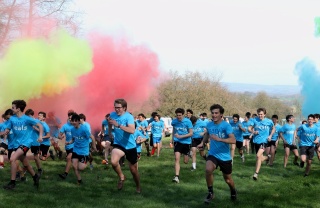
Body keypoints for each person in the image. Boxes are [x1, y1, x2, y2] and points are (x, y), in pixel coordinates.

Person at [197, 104, 237, 204]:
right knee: (208, 169)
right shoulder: (209, 125)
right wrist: (203, 143)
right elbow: (207, 133)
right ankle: (211, 193)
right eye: (213, 113)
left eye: (216, 113)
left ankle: (233, 190)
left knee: (228, 179)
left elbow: (233, 140)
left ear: (221, 115)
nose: (214, 115)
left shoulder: (226, 126)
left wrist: (220, 139)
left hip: (224, 156)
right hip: (213, 154)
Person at [1, 100, 43, 190]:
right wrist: (6, 132)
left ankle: (12, 183)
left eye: (13, 107)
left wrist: (40, 136)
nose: (12, 109)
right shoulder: (12, 119)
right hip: (16, 144)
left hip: (26, 143)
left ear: (18, 109)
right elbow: (8, 128)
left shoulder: (27, 119)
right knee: (25, 163)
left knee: (12, 159)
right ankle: (35, 176)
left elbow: (40, 125)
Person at [108, 98, 141, 193]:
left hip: (130, 146)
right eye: (115, 107)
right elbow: (110, 122)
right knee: (114, 162)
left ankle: (138, 186)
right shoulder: (112, 115)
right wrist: (110, 132)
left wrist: (118, 125)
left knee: (133, 170)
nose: (116, 109)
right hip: (119, 144)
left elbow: (132, 130)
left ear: (124, 108)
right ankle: (122, 176)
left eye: (119, 107)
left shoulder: (128, 117)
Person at [249, 108, 275, 180]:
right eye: (259, 114)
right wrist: (253, 132)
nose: (260, 116)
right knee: (259, 158)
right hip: (256, 141)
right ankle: (256, 174)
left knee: (258, 155)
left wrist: (270, 135)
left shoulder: (269, 121)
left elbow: (273, 128)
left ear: (264, 114)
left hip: (264, 141)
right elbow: (249, 128)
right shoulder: (254, 120)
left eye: (261, 114)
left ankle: (256, 173)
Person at [69, 113, 95, 184]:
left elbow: (92, 137)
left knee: (81, 168)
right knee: (74, 166)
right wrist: (69, 142)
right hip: (76, 150)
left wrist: (94, 146)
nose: (74, 122)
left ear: (78, 121)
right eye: (72, 121)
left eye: (75, 121)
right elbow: (73, 139)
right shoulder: (72, 129)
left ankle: (88, 158)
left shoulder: (84, 129)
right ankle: (79, 179)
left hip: (84, 151)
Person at [171, 108, 193, 183]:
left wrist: (181, 136)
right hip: (177, 142)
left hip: (186, 142)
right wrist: (172, 139)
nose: (178, 117)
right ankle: (176, 176)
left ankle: (188, 154)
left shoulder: (188, 122)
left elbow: (191, 133)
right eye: (177, 115)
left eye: (180, 115)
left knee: (186, 162)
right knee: (177, 158)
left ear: (183, 115)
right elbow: (174, 130)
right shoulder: (174, 121)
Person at [26, 110, 50, 177]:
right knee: (23, 156)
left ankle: (40, 169)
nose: (39, 116)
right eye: (38, 115)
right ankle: (23, 170)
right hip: (28, 141)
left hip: (36, 142)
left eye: (40, 115)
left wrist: (35, 128)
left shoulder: (42, 124)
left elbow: (46, 134)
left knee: (36, 157)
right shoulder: (32, 120)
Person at [58, 111, 75, 179]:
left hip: (75, 145)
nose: (70, 120)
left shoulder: (77, 125)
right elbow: (59, 134)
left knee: (68, 158)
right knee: (71, 160)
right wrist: (60, 137)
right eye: (69, 118)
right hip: (67, 146)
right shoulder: (65, 126)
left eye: (72, 118)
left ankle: (65, 174)